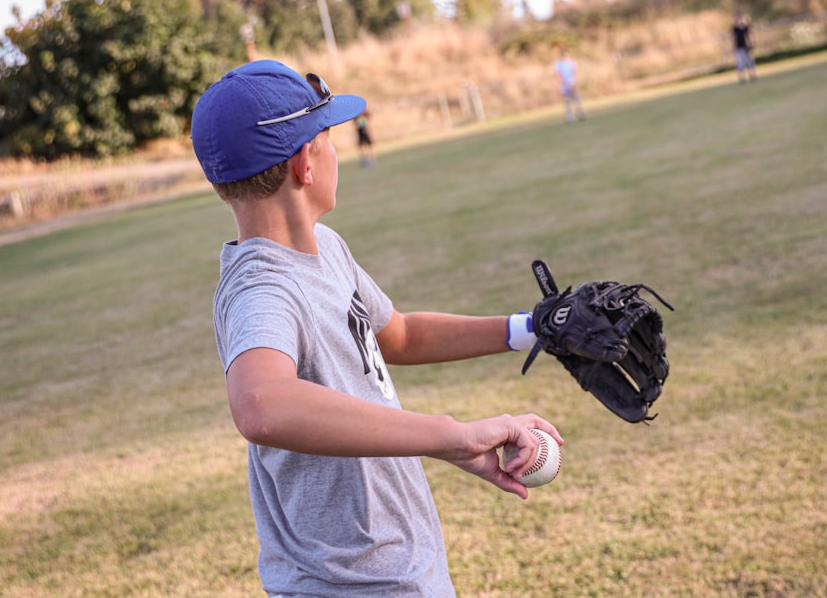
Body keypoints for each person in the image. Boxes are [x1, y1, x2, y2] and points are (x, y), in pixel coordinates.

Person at [190, 59, 562, 597]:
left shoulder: (326, 249)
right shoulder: (263, 288)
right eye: (327, 137)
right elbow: (260, 404)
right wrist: (453, 437)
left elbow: (400, 335)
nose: (336, 149)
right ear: (304, 164)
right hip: (348, 584)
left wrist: (532, 329)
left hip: (398, 566)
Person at [553, 44, 586, 123]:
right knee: (567, 102)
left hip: (572, 83)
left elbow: (575, 72)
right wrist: (563, 83)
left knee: (577, 99)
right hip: (564, 85)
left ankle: (580, 114)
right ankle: (569, 117)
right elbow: (558, 75)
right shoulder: (558, 64)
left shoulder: (572, 62)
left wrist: (573, 82)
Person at [731, 11, 757, 83]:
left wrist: (751, 44)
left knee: (750, 62)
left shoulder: (745, 27)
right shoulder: (735, 29)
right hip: (739, 48)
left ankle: (752, 76)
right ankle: (741, 78)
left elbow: (749, 36)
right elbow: (733, 38)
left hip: (746, 47)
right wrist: (733, 47)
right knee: (740, 63)